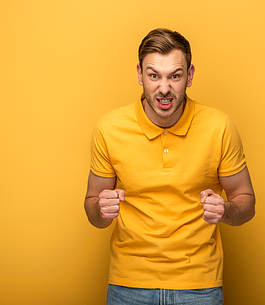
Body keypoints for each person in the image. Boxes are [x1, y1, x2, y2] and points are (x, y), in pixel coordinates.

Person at [84, 28, 255, 305]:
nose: (164, 88)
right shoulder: (109, 128)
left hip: (200, 285)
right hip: (128, 284)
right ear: (140, 74)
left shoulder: (219, 126)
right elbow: (93, 209)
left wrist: (226, 210)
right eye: (154, 75)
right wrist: (101, 210)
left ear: (189, 76)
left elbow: (246, 203)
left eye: (174, 76)